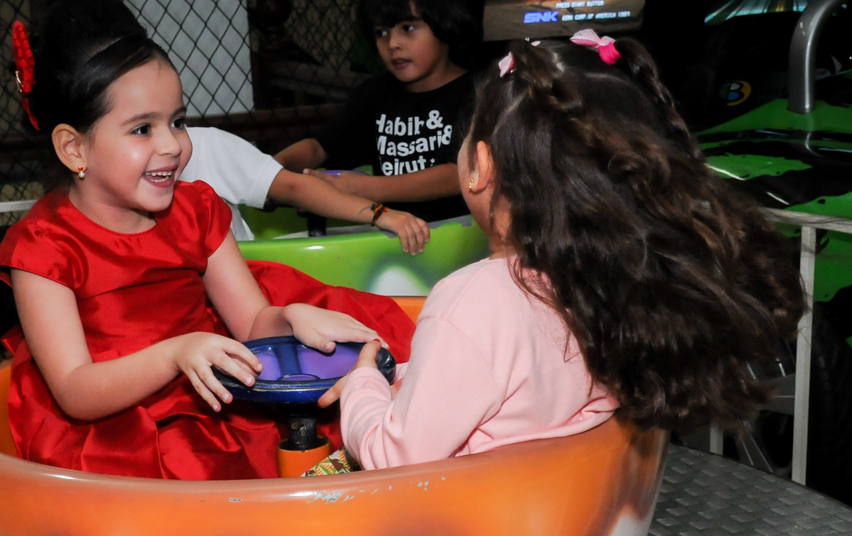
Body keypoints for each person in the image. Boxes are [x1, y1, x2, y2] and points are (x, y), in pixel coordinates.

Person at [320, 33, 805, 470]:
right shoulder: (611, 283)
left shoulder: (470, 302)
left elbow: (395, 455)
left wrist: (364, 387)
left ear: (479, 166)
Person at [0, 0, 415, 482]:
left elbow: (252, 319)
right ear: (74, 147)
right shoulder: (45, 246)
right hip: (121, 429)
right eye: (142, 129)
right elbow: (75, 390)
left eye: (178, 121)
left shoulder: (194, 210)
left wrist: (288, 318)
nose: (171, 144)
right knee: (194, 464)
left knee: (343, 398)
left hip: (209, 392)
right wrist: (174, 353)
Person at [274, 0, 481, 223]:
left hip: (460, 238)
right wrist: (268, 172)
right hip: (392, 235)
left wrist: (367, 188)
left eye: (408, 28)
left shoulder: (479, 93)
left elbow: (458, 175)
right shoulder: (375, 94)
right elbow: (318, 147)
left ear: (448, 25)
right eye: (381, 32)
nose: (392, 44)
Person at [181, 126, 431, 254]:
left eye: (177, 122)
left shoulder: (205, 145)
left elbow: (295, 186)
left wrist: (381, 214)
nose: (168, 142)